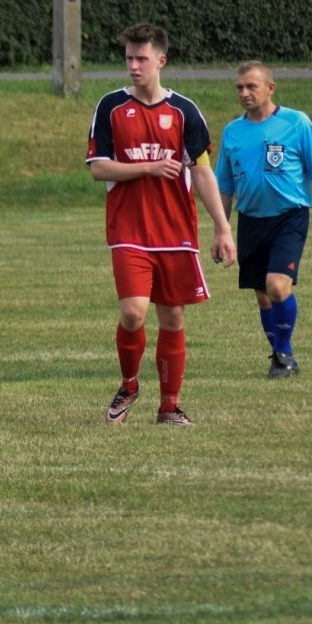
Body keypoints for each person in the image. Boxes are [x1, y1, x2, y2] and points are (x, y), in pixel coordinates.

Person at [86, 23, 235, 426]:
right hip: (129, 231)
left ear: (161, 61)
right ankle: (129, 384)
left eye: (141, 59)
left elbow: (203, 172)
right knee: (133, 314)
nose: (133, 66)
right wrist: (148, 167)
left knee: (172, 320)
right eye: (129, 58)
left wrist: (222, 227)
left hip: (175, 233)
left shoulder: (184, 111)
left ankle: (169, 406)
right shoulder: (111, 107)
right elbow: (98, 168)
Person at [215, 61, 312, 378]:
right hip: (250, 220)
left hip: (289, 217)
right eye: (239, 88)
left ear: (270, 88)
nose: (244, 93)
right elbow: (225, 187)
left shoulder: (296, 123)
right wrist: (221, 230)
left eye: (251, 86)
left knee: (276, 286)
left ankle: (285, 354)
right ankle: (279, 355)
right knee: (262, 295)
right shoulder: (233, 132)